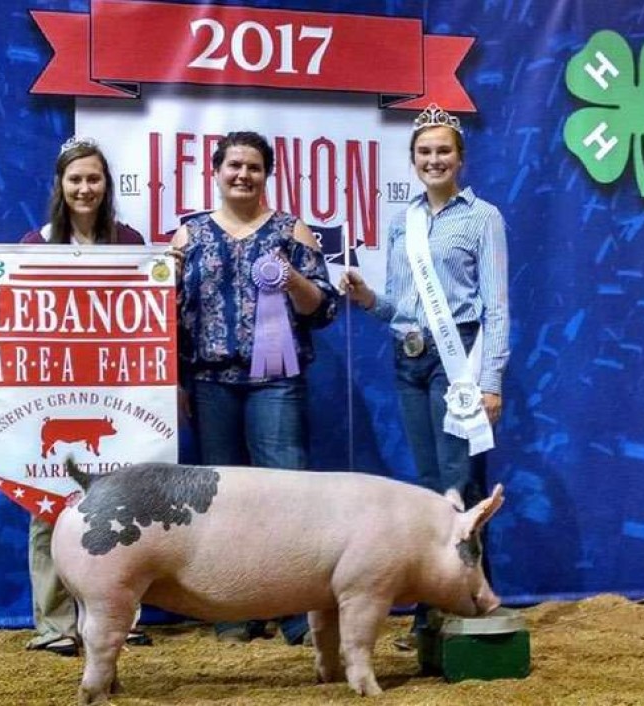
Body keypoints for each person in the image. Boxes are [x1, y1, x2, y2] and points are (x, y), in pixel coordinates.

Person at [0, 136, 151, 656]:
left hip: (118, 394)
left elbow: (149, 313)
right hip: (52, 394)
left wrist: (167, 272)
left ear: (106, 185)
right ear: (60, 185)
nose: (85, 188)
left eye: (94, 178)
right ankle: (53, 624)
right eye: (76, 179)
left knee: (122, 509)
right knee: (46, 503)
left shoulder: (131, 242)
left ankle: (120, 617)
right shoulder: (34, 243)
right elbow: (15, 308)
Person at [341, 104, 509, 650]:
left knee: (459, 487)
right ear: (413, 160)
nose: (433, 159)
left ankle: (451, 608)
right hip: (408, 356)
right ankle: (449, 601)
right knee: (433, 489)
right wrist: (369, 300)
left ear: (460, 158)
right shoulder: (401, 220)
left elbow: (496, 306)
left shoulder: (483, 218)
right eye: (424, 152)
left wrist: (492, 380)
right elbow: (398, 308)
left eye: (443, 151)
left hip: (457, 355)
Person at [169, 131, 338, 645]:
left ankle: (296, 614)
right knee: (220, 502)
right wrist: (176, 381)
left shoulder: (293, 232)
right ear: (216, 172)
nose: (243, 174)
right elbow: (168, 317)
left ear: (268, 174)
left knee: (288, 496)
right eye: (234, 165)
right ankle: (232, 612)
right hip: (209, 381)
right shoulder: (187, 236)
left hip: (276, 382)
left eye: (254, 167)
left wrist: (290, 279)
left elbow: (322, 309)